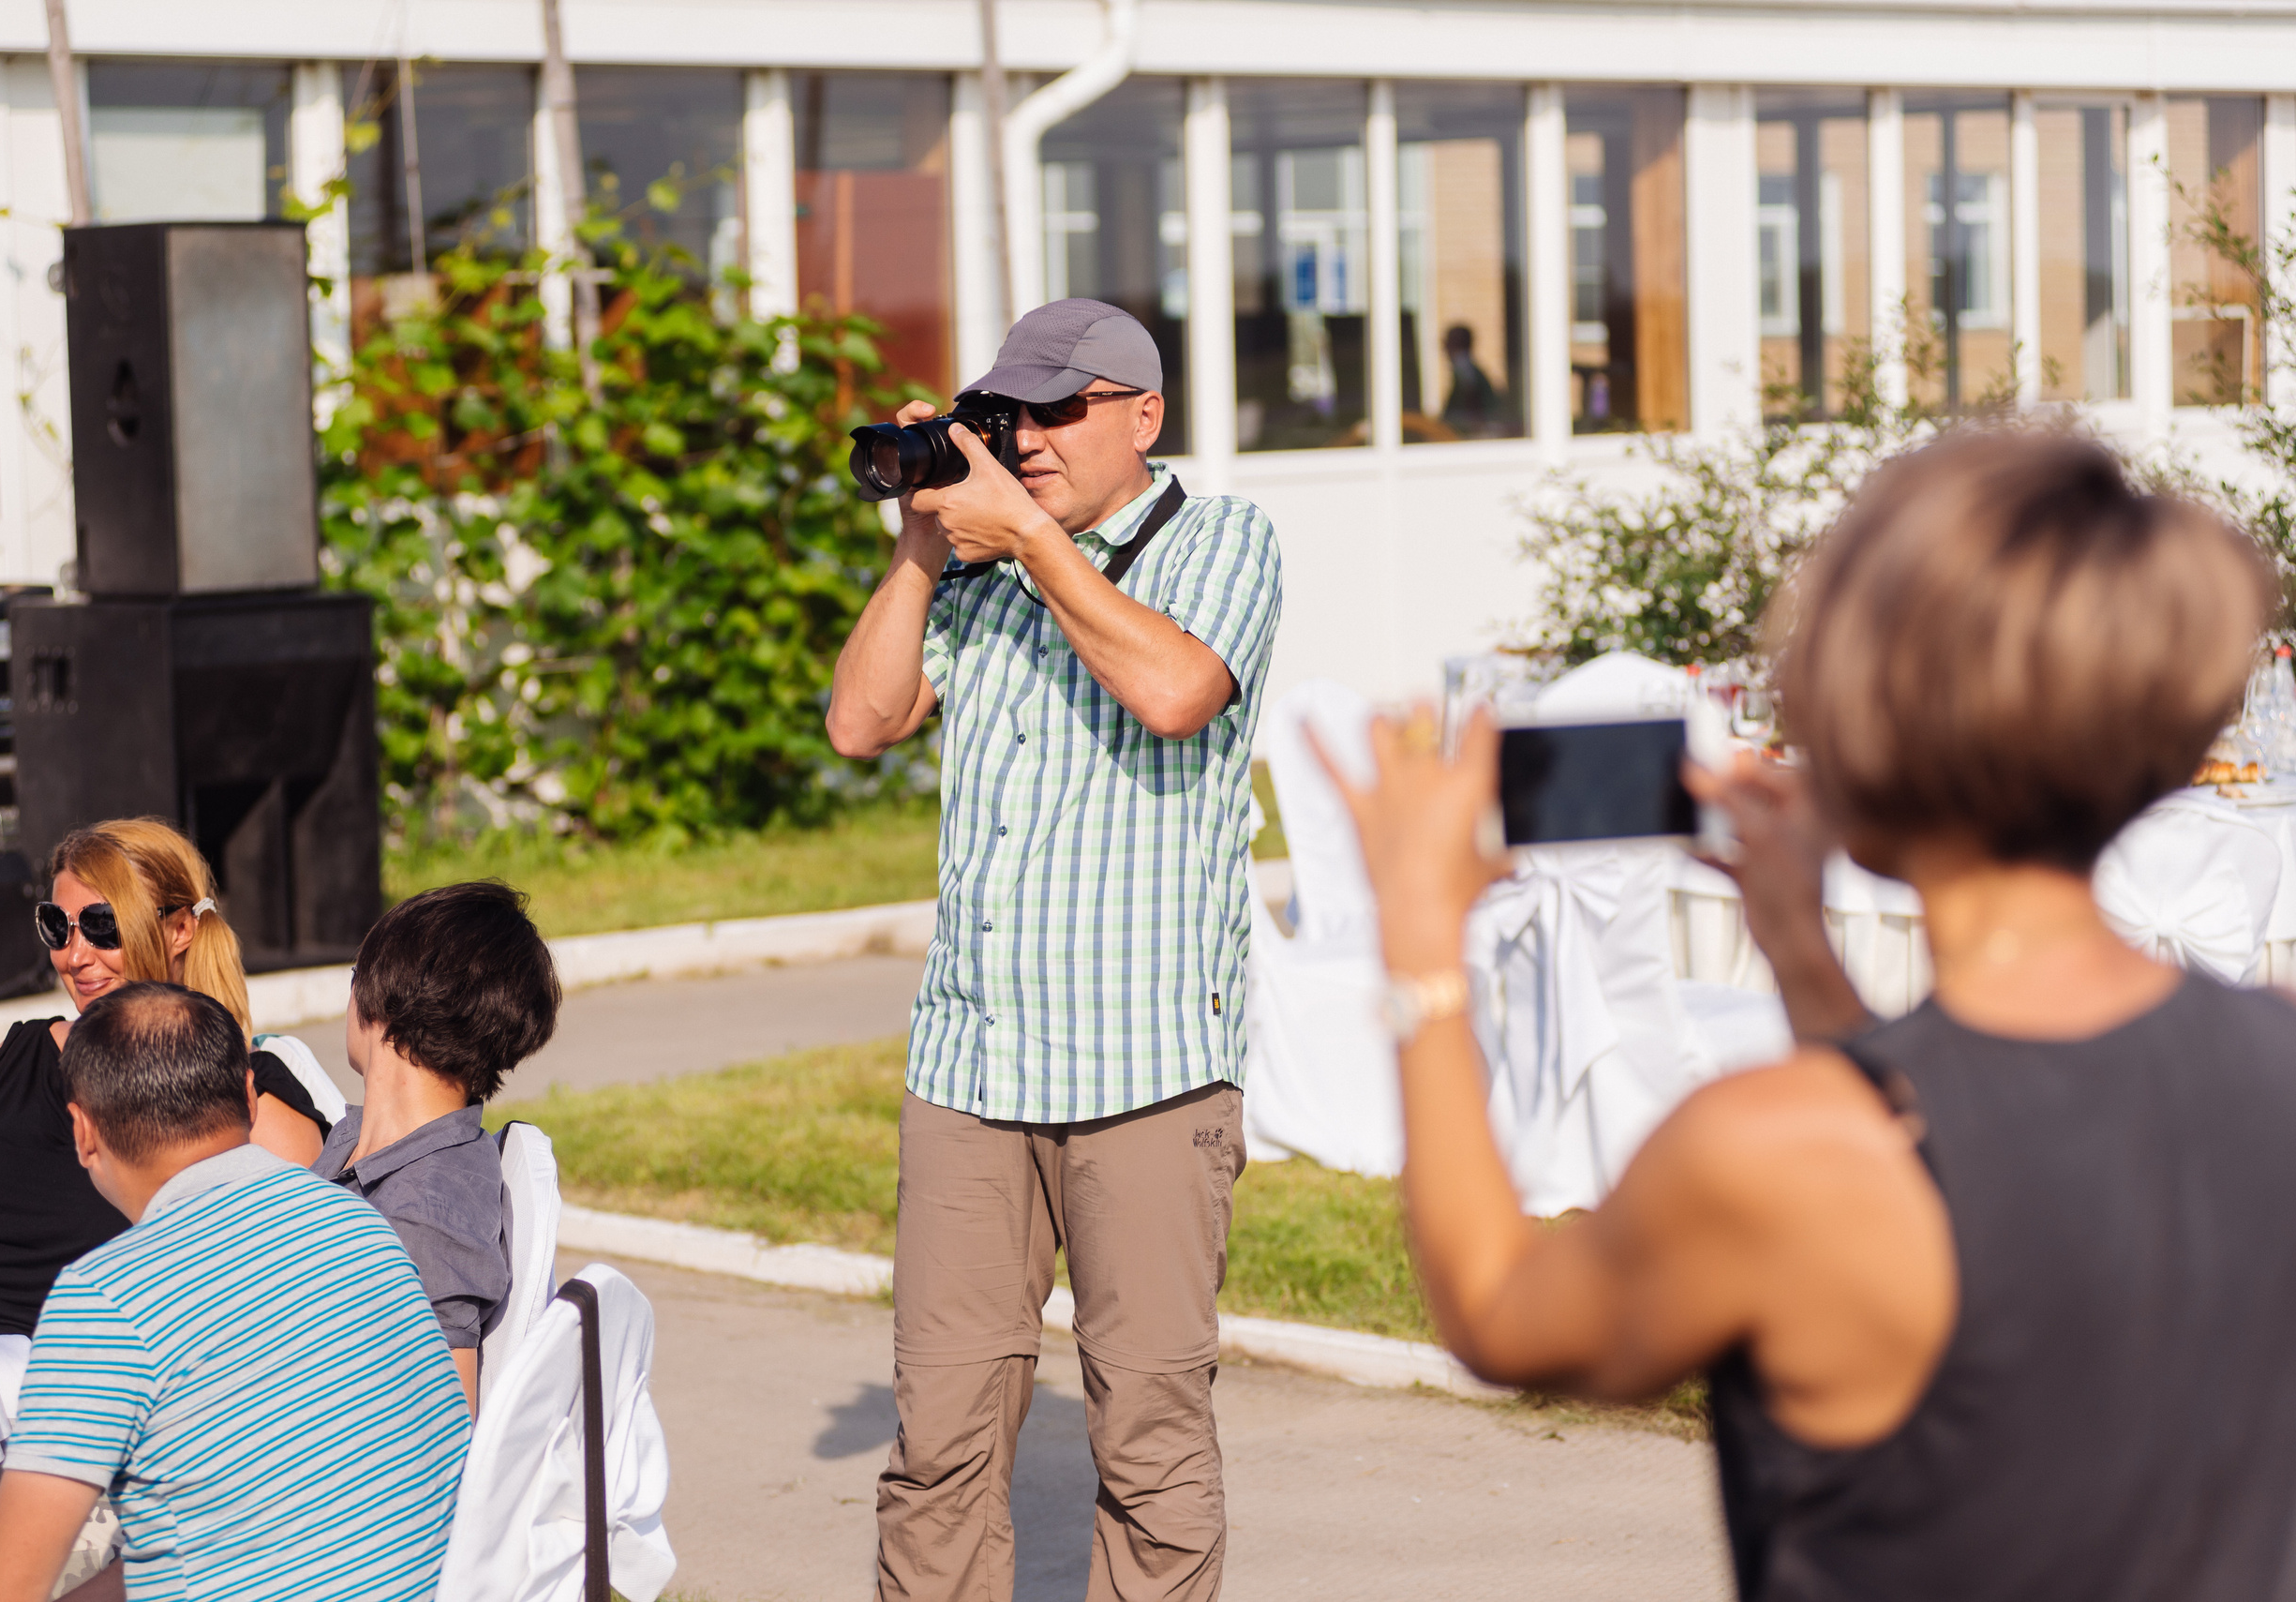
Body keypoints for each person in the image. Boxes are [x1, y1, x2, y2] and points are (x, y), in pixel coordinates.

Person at [1325, 430, 2296, 1599]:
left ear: (1862, 716)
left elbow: (1497, 1313)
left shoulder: (1775, 1149)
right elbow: (2006, 1174)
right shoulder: (2268, 1057)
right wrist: (1800, 954)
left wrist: (1422, 948)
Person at [827, 297, 1283, 1601]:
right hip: (971, 1071)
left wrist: (1026, 536)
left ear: (1144, 414)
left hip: (1148, 1073)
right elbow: (862, 723)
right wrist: (920, 548)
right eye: (1011, 413)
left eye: (1061, 410)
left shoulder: (1222, 541)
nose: (1028, 439)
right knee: (940, 1446)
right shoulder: (978, 567)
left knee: (1147, 1444)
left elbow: (1177, 693)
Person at [0, 982, 470, 1602]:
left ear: (82, 1132)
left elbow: (1, 1588)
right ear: (251, 1100)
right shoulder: (361, 1222)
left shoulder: (105, 1298)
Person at [0, 818, 327, 1395]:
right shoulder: (19, 1052)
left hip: (64, 1405)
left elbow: (259, 1297)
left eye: (103, 927)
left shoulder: (243, 1098)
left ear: (179, 928)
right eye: (58, 926)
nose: (76, 956)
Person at [311, 880, 560, 1415]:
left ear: (385, 995)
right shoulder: (367, 1148)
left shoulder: (424, 1214)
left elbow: (445, 1437)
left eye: (356, 974)